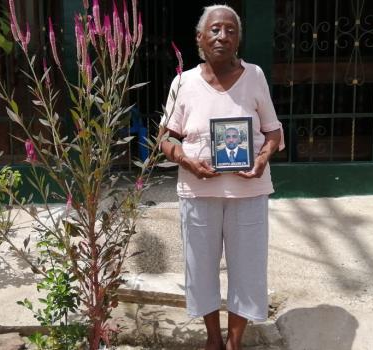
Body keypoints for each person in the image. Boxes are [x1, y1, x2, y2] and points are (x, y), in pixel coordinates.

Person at [158, 4, 284, 350]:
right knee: (201, 270)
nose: (222, 36)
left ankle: (234, 343)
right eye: (214, 29)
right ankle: (213, 339)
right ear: (199, 38)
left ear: (238, 38)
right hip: (198, 192)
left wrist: (260, 160)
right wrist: (187, 161)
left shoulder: (255, 76)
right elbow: (166, 138)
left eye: (230, 30)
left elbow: (273, 132)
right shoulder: (183, 82)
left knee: (247, 270)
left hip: (249, 191)